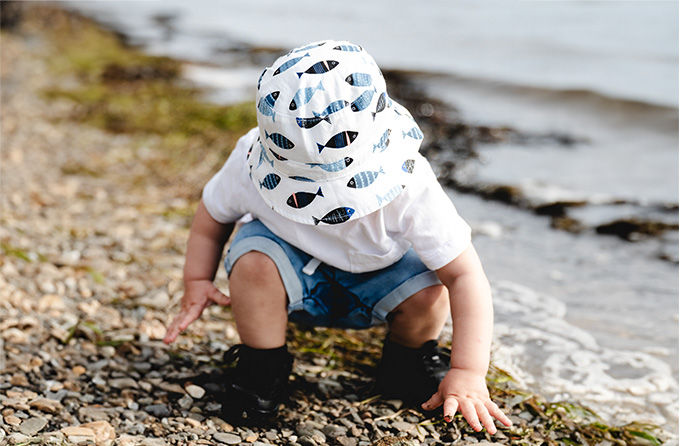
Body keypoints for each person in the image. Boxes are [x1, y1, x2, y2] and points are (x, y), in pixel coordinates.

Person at [163, 40, 512, 433]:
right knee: (253, 259)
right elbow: (213, 215)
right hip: (289, 277)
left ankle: (406, 362)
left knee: (432, 288)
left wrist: (467, 369)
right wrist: (196, 280)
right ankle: (263, 365)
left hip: (378, 284)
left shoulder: (410, 182)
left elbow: (465, 275)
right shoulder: (248, 159)